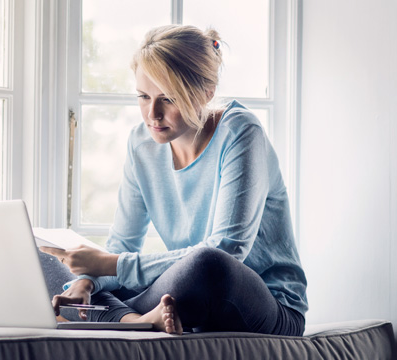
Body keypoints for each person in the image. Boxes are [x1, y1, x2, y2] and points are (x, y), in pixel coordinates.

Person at [40, 24, 308, 336]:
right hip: (177, 297)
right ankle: (137, 321)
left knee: (208, 263)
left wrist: (109, 266)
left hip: (261, 302)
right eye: (143, 96)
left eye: (168, 99)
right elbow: (123, 245)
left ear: (206, 93)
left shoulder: (241, 132)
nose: (152, 113)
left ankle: (112, 315)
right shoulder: (142, 144)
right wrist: (86, 283)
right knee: (45, 262)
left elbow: (227, 249)